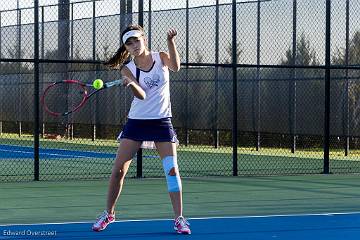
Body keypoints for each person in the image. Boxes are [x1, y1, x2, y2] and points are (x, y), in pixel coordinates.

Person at [92, 24, 191, 235]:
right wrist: (131, 84)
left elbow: (176, 67)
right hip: (137, 122)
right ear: (126, 48)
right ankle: (108, 214)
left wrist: (171, 42)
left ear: (143, 39)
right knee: (118, 171)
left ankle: (179, 219)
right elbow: (142, 95)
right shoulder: (127, 68)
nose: (134, 45)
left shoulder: (161, 56)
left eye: (136, 40)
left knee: (172, 171)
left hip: (162, 122)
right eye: (129, 43)